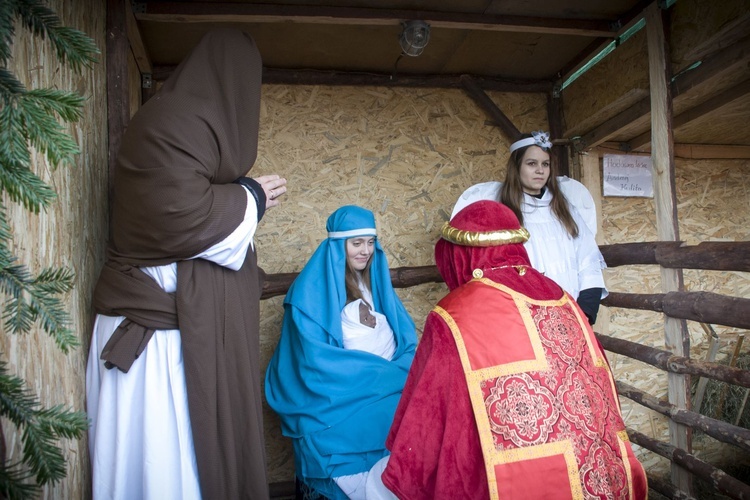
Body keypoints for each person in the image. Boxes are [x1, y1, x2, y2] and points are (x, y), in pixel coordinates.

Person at [86, 29, 287, 500]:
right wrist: (252, 197)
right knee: (159, 464)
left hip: (177, 336)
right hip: (154, 346)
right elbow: (176, 216)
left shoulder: (185, 125)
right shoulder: (169, 126)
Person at [380, 200, 648, 499]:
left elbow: (430, 412)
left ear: (459, 256)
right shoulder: (562, 297)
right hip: (601, 472)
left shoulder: (456, 312)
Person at [265, 205, 417, 500]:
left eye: (371, 242)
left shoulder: (374, 284)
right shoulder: (308, 292)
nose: (365, 251)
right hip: (336, 394)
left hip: (379, 391)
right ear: (338, 244)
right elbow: (311, 359)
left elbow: (405, 337)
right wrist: (383, 375)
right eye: (356, 243)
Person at [452, 131, 607, 324]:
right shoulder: (499, 212)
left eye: (545, 164)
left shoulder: (566, 209)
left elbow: (588, 261)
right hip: (520, 319)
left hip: (571, 315)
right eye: (531, 163)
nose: (540, 170)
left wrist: (585, 313)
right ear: (517, 167)